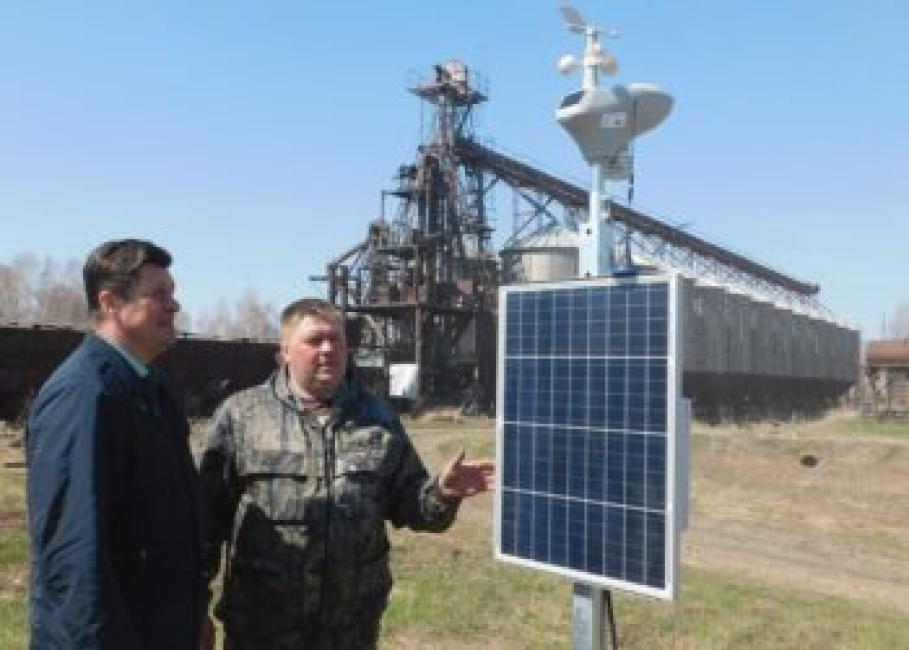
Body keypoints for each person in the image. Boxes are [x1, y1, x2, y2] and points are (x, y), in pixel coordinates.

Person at [199, 298, 495, 649]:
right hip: (262, 627)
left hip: (351, 630)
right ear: (285, 352)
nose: (328, 349)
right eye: (315, 340)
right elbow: (204, 520)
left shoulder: (378, 417)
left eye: (337, 339)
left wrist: (444, 493)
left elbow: (412, 505)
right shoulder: (241, 416)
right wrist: (194, 605)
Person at [25, 239, 208, 649]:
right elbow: (74, 552)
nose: (174, 306)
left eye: (173, 294)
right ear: (110, 303)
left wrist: (194, 616)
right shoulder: (84, 396)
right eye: (159, 295)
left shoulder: (149, 390)